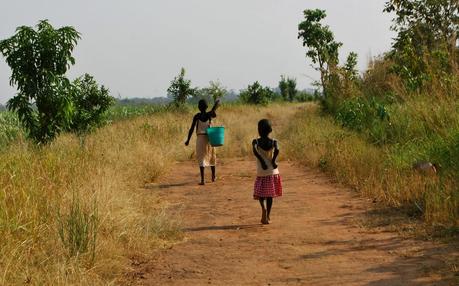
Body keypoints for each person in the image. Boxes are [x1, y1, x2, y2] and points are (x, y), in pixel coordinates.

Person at [252, 119, 283, 224]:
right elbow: (277, 150)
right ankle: (268, 215)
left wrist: (262, 161)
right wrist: (273, 161)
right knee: (270, 195)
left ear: (259, 130)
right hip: (272, 172)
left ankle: (263, 209)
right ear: (270, 130)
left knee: (260, 194)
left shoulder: (256, 141)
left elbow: (255, 151)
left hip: (262, 172)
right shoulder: (274, 141)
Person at [185, 99, 220, 185]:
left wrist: (188, 140)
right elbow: (214, 111)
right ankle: (213, 177)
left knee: (201, 158)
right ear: (207, 107)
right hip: (209, 137)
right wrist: (216, 103)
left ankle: (203, 179)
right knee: (212, 156)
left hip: (200, 138)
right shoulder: (209, 115)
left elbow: (192, 129)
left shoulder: (196, 116)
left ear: (198, 107)